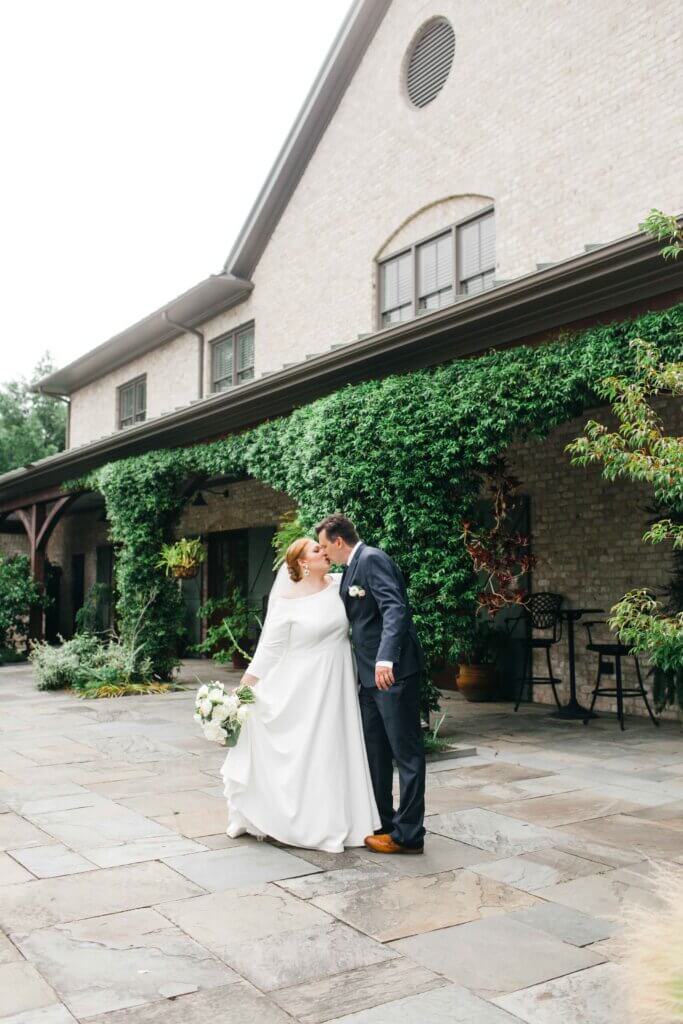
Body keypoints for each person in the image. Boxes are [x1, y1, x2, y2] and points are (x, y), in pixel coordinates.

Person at [220, 537, 380, 852]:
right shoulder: (288, 601)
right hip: (301, 686)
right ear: (302, 563)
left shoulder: (340, 584)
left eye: (323, 549)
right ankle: (274, 816)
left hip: (336, 682)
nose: (325, 552)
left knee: (332, 749)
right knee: (306, 750)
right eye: (317, 550)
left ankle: (338, 818)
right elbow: (269, 649)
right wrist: (244, 686)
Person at [316, 514, 426, 855]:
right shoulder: (350, 567)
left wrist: (385, 659)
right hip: (367, 680)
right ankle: (383, 823)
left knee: (405, 754)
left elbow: (395, 609)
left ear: (338, 541)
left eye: (323, 546)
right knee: (375, 754)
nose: (323, 552)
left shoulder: (373, 558)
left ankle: (409, 835)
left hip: (391, 674)